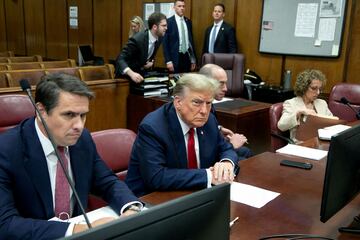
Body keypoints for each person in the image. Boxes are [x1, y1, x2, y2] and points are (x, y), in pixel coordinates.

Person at [0, 73, 143, 239]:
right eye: (69, 115)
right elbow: (5, 224)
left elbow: (106, 181)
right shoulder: (6, 151)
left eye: (82, 115)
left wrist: (131, 208)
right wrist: (77, 230)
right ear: (41, 111)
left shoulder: (83, 140)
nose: (79, 126)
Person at [125, 73, 239, 197]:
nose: (204, 111)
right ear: (178, 102)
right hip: (152, 199)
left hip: (196, 194)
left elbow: (226, 148)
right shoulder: (153, 128)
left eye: (208, 103)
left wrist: (227, 163)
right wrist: (209, 176)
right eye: (197, 102)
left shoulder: (209, 120)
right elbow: (156, 177)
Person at [199, 64, 252, 160]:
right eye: (221, 84)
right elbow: (202, 148)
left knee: (246, 152)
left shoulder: (209, 103)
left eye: (225, 83)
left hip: (212, 147)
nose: (225, 89)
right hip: (205, 160)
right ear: (205, 82)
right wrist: (232, 145)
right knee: (243, 160)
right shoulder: (198, 107)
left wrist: (219, 129)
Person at [277, 69, 337, 142]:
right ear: (303, 87)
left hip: (322, 142)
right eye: (314, 88)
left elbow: (332, 123)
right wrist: (298, 114)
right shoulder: (291, 103)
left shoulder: (322, 103)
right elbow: (281, 126)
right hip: (302, 145)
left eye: (320, 89)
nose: (318, 92)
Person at [115, 12, 167, 83]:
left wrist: (146, 63)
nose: (166, 28)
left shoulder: (160, 37)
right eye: (163, 26)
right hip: (124, 78)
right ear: (155, 27)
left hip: (140, 75)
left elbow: (143, 56)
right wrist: (131, 73)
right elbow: (120, 59)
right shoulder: (138, 39)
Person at [163, 0, 196, 73]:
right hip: (175, 57)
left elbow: (191, 42)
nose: (182, 8)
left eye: (183, 6)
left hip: (187, 57)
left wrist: (193, 60)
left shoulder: (188, 21)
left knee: (186, 81)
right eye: (179, 6)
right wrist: (168, 61)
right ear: (174, 7)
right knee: (175, 82)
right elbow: (165, 44)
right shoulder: (168, 22)